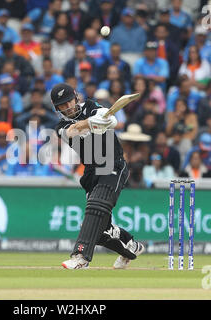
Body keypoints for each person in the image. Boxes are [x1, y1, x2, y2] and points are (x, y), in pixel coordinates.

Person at [51, 83, 144, 270]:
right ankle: (131, 247)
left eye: (69, 101)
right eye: (62, 105)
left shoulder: (92, 106)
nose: (67, 107)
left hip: (113, 166)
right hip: (91, 173)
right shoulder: (61, 126)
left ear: (76, 97)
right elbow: (72, 131)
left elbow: (114, 121)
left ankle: (80, 256)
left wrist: (105, 120)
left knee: (95, 208)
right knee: (99, 230)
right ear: (57, 108)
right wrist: (90, 123)